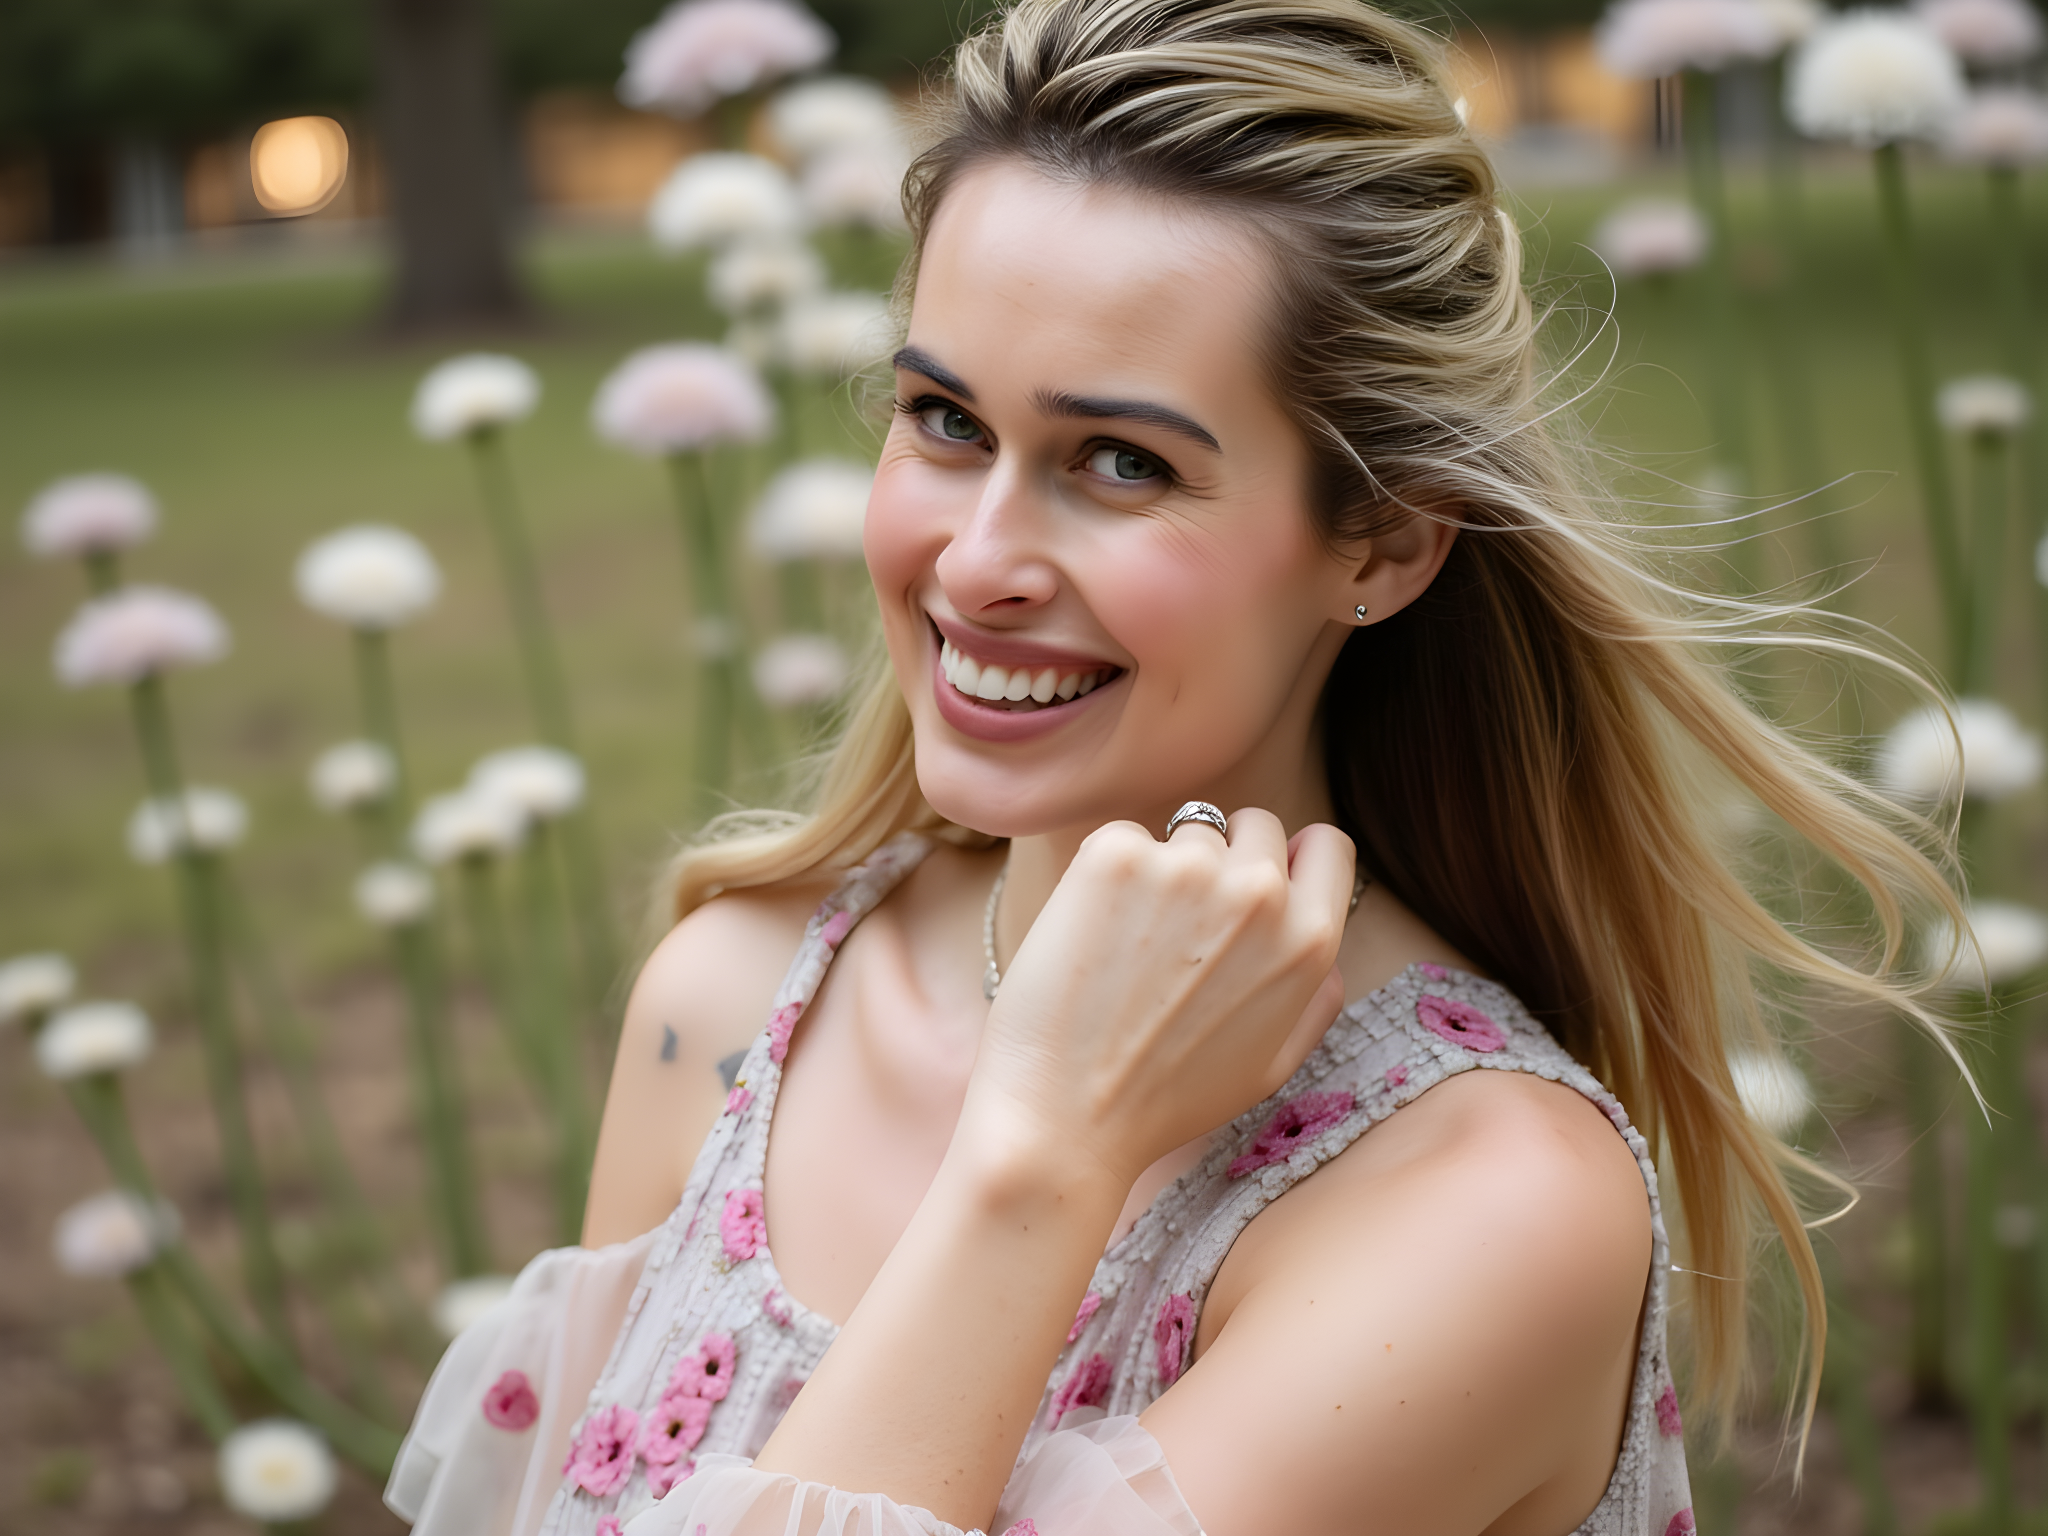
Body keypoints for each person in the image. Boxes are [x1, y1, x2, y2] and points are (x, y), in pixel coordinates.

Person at [385, 2, 1957, 1532]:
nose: (978, 559)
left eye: (1121, 462)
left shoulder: (1483, 1205)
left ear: (1388, 543)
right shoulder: (726, 1010)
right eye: (942, 419)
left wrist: (1048, 1155)